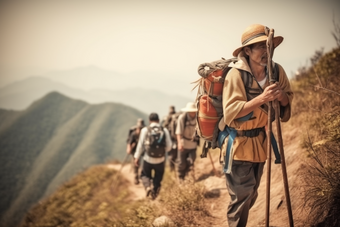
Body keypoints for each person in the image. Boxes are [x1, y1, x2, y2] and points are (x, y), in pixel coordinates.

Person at [218, 24, 294, 227]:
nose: (264, 51)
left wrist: (282, 97)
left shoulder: (277, 71)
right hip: (238, 146)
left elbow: (287, 103)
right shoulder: (236, 75)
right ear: (247, 51)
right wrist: (263, 98)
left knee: (251, 195)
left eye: (266, 45)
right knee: (242, 197)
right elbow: (231, 113)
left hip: (260, 145)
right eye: (258, 46)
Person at [134, 113, 172, 199]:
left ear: (149, 121)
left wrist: (136, 157)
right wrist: (162, 151)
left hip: (148, 158)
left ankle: (147, 187)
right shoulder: (164, 130)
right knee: (158, 177)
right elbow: (169, 146)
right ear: (158, 120)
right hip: (160, 159)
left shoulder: (145, 130)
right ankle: (154, 196)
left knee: (145, 175)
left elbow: (140, 145)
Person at [175, 102, 199, 182]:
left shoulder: (198, 118)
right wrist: (179, 143)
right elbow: (178, 132)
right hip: (183, 144)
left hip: (193, 144)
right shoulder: (182, 118)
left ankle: (188, 176)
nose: (193, 112)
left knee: (191, 160)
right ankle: (180, 178)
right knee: (182, 163)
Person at [126, 118, 145, 184]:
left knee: (142, 164)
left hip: (142, 151)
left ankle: (142, 176)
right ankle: (136, 178)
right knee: (135, 164)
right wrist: (129, 149)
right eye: (139, 128)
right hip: (134, 151)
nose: (140, 129)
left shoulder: (144, 133)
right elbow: (129, 142)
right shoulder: (133, 134)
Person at [162, 105, 178, 172]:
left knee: (173, 157)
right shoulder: (167, 118)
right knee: (172, 157)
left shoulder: (176, 117)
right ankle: (172, 170)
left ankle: (174, 170)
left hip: (175, 139)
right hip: (171, 140)